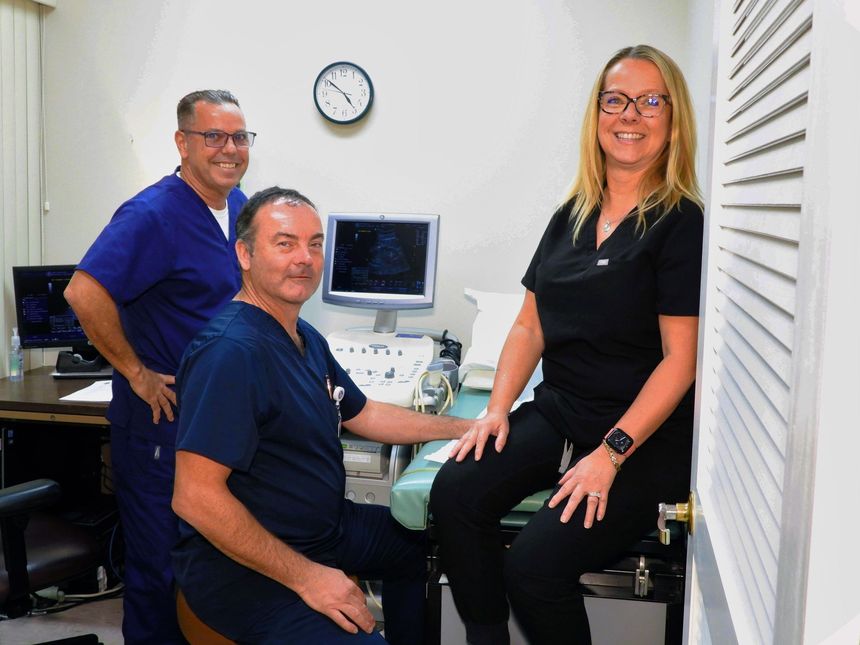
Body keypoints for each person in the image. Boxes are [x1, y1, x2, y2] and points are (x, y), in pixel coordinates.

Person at [430, 44, 704, 645]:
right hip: (562, 410)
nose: (630, 114)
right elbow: (530, 325)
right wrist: (497, 409)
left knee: (533, 566)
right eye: (616, 100)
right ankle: (485, 636)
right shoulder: (572, 216)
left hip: (641, 436)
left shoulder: (680, 222)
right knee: (453, 494)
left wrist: (610, 455)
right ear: (597, 114)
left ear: (673, 118)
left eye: (650, 101)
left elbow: (681, 360)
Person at [171, 186, 471, 644]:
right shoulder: (230, 353)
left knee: (424, 544)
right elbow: (194, 498)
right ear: (245, 255)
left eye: (315, 244)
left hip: (323, 531)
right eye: (285, 243)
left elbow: (365, 414)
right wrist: (310, 577)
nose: (305, 258)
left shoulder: (301, 335)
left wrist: (468, 428)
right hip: (244, 568)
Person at [63, 89, 254, 644]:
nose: (229, 148)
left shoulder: (238, 207)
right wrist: (135, 372)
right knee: (160, 571)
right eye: (213, 136)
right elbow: (84, 292)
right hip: (162, 425)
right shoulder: (152, 213)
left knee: (214, 569)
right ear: (182, 143)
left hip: (218, 423)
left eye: (239, 137)